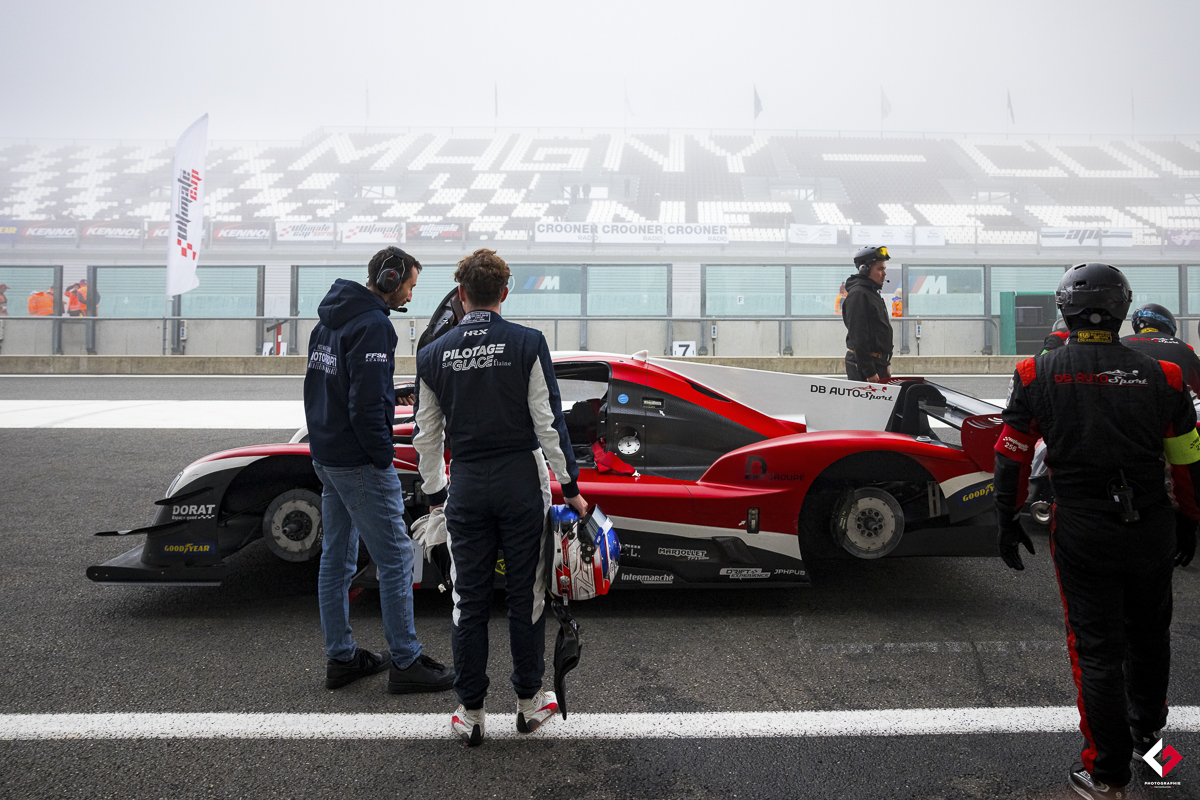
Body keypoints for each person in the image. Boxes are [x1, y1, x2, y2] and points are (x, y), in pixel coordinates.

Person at [993, 263, 1198, 799]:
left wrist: (1004, 519)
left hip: (1082, 528)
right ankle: (1152, 748)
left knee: (1097, 649)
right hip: (1152, 526)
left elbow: (1010, 457)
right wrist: (1191, 521)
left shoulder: (1035, 372)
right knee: (1150, 638)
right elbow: (1188, 461)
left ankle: (1106, 776)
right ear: (1122, 310)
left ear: (1065, 309)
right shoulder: (1166, 376)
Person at [413, 248, 588, 746]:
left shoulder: (432, 354)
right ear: (504, 293)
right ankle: (530, 704)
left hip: (465, 483)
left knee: (468, 600)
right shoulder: (528, 343)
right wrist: (570, 489)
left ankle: (470, 714)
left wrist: (434, 498)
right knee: (525, 596)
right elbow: (548, 425)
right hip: (518, 480)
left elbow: (426, 437)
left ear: (461, 296)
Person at [303, 245, 455, 694]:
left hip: (327, 456)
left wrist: (391, 391)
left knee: (336, 559)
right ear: (390, 279)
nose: (410, 291)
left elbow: (330, 386)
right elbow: (366, 406)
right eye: (409, 283)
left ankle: (342, 657)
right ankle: (406, 662)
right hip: (360, 462)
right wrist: (381, 458)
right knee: (394, 560)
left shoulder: (328, 321)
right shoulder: (374, 326)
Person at [1121, 303, 1200, 396]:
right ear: (1168, 326)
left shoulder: (1120, 342)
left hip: (1126, 405)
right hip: (1170, 407)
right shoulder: (1184, 347)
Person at [842, 245, 893, 382]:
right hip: (865, 367)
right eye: (880, 269)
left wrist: (884, 363)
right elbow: (858, 336)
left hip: (877, 363)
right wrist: (869, 371)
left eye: (884, 269)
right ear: (864, 269)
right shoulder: (859, 294)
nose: (884, 273)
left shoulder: (871, 293)